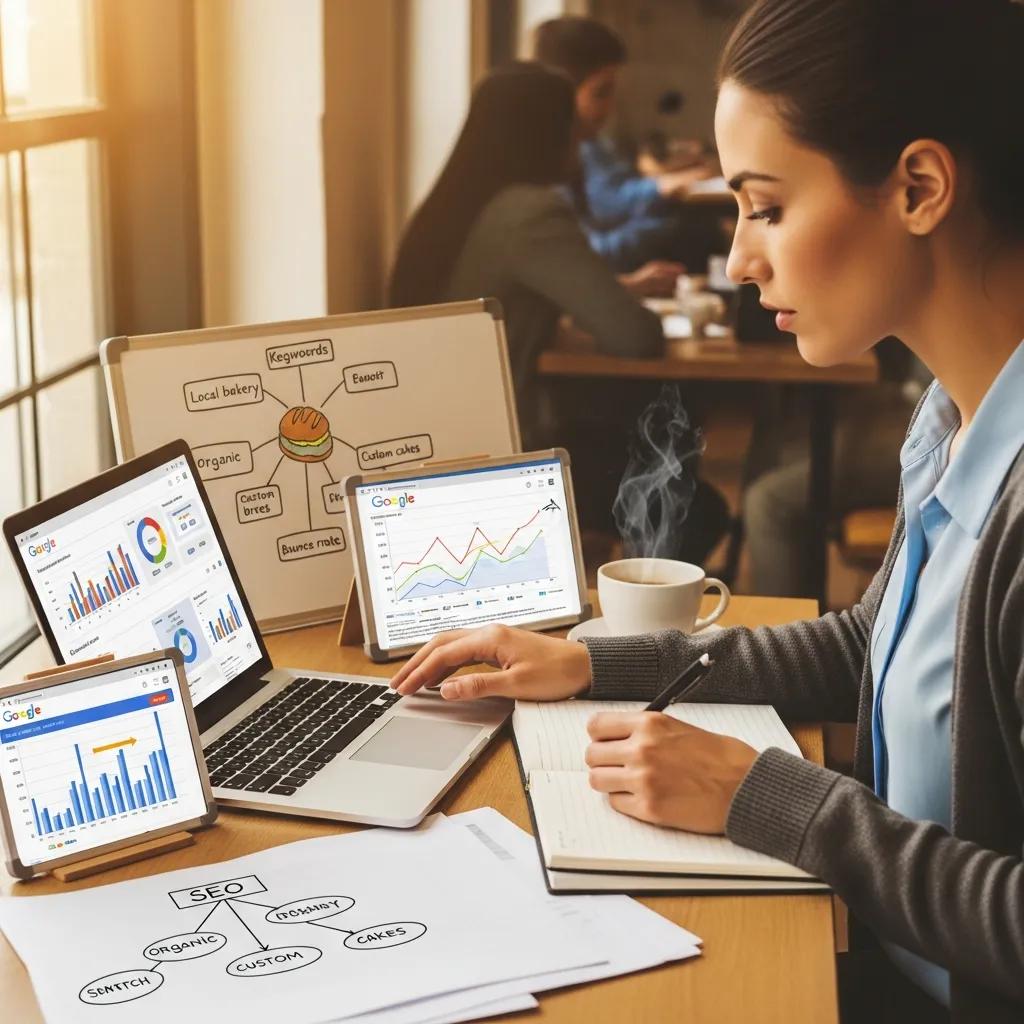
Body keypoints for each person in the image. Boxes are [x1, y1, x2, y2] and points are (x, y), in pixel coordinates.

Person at [389, 2, 1024, 1021]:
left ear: (918, 188)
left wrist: (767, 797)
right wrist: (594, 662)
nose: (737, 260)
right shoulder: (949, 419)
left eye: (764, 207)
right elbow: (868, 642)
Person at [388, 61, 664, 449]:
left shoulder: (460, 205)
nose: (584, 138)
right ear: (546, 134)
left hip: (439, 430)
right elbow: (636, 336)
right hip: (504, 443)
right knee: (664, 428)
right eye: (572, 124)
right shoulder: (530, 214)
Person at [533, 15, 722, 273]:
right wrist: (664, 208)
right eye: (600, 93)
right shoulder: (545, 167)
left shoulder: (589, 144)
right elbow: (589, 247)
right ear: (559, 93)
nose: (610, 107)